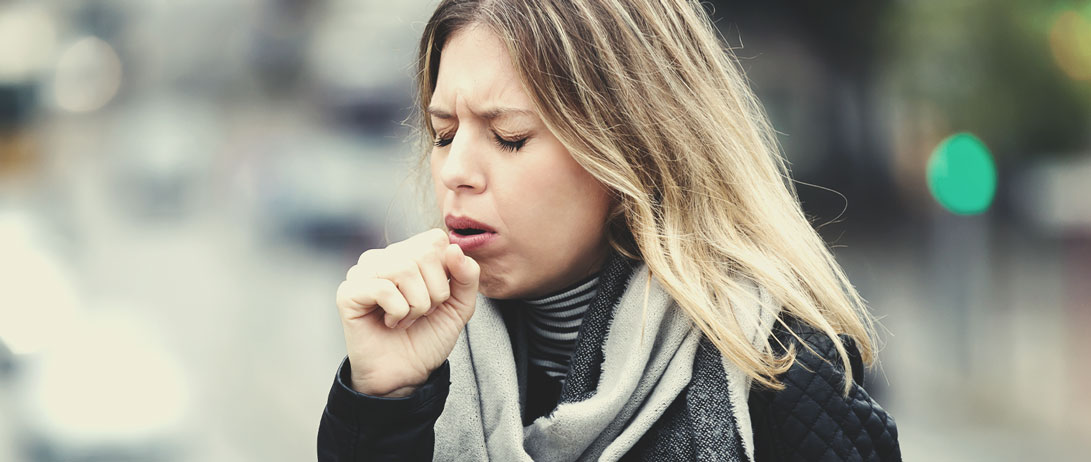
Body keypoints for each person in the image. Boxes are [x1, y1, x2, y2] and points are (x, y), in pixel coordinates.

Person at [317, 0, 901, 460]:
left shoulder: (778, 365)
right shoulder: (419, 359)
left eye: (510, 136)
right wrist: (382, 406)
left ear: (629, 151)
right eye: (444, 134)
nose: (458, 173)